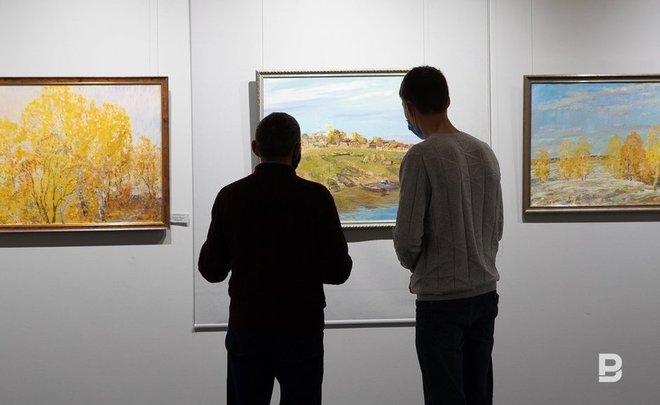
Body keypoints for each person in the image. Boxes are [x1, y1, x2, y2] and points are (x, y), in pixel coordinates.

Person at [198, 112, 352, 405]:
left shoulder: (231, 196)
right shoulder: (317, 197)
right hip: (302, 327)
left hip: (248, 325)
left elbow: (211, 270)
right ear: (297, 149)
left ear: (256, 148)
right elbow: (339, 271)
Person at [393, 66, 503, 405]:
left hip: (440, 300)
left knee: (444, 396)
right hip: (484, 293)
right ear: (447, 100)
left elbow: (407, 239)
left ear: (409, 107)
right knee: (479, 393)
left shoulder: (421, 156)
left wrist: (416, 264)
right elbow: (496, 227)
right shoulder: (483, 151)